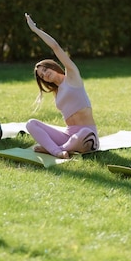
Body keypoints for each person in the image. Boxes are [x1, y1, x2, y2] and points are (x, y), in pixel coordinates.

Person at [24, 13, 99, 159]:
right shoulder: (56, 92)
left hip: (87, 135)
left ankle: (54, 149)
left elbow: (55, 47)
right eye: (42, 75)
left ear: (52, 66)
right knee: (31, 124)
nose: (45, 75)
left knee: (82, 134)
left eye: (45, 70)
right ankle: (58, 150)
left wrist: (35, 30)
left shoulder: (72, 76)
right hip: (68, 135)